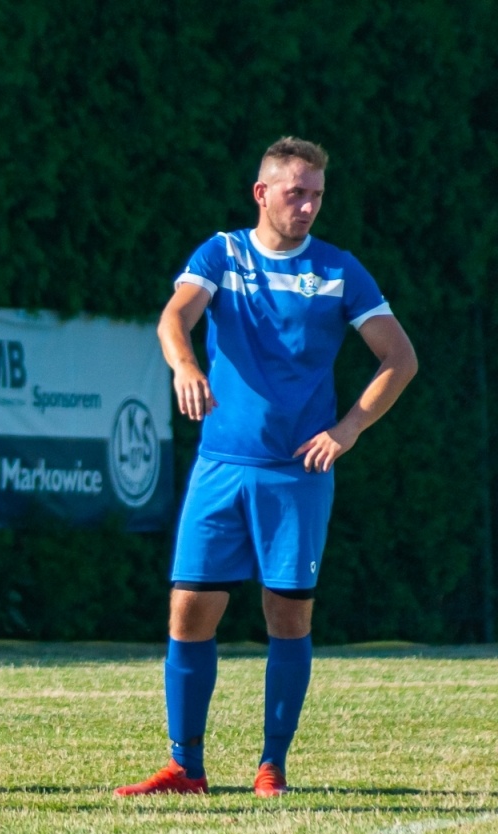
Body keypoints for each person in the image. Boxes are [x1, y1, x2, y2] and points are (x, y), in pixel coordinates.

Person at [116, 137, 417, 799]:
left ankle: (271, 765)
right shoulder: (222, 254)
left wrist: (349, 428)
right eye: (295, 192)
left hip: (296, 476)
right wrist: (186, 365)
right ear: (262, 193)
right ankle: (185, 768)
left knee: (288, 618)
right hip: (221, 467)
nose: (308, 205)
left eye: (316, 194)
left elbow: (400, 358)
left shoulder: (340, 270)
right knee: (189, 612)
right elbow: (175, 317)